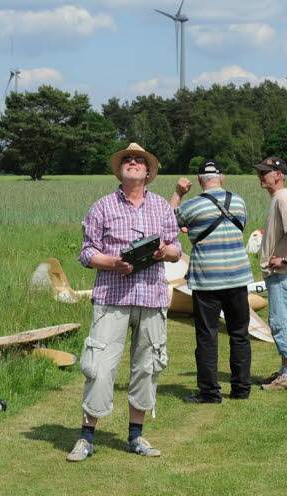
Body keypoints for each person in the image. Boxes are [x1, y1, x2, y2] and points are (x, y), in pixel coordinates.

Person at [67, 143, 182, 462]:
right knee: (99, 367)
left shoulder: (161, 207)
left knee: (147, 366)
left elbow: (176, 249)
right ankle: (86, 437)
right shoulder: (102, 206)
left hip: (151, 296)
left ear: (148, 173)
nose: (132, 163)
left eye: (139, 161)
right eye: (127, 160)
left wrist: (164, 252)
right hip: (112, 297)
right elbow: (86, 252)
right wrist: (112, 263)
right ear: (120, 171)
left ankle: (136, 436)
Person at [169, 159, 255, 404]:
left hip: (207, 279)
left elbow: (167, 223)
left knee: (207, 336)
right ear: (223, 177)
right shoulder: (239, 201)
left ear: (198, 180)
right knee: (240, 334)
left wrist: (177, 194)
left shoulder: (193, 206)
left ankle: (210, 393)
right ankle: (241, 389)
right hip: (238, 276)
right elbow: (237, 229)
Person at [253, 157, 287, 391]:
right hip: (279, 272)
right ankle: (284, 371)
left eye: (265, 172)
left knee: (282, 320)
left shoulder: (283, 198)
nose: (260, 176)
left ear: (278, 174)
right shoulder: (278, 198)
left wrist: (285, 259)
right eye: (260, 172)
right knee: (279, 320)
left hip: (283, 272)